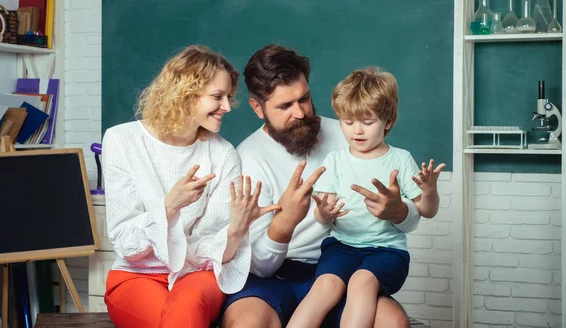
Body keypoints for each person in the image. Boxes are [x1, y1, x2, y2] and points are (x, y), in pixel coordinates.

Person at [221, 44, 423, 328]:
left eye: (304, 99)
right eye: (284, 106)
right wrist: (285, 222)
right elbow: (259, 267)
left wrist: (399, 212)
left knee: (393, 322)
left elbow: (412, 220)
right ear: (258, 108)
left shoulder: (349, 136)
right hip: (271, 281)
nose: (301, 113)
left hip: (338, 270)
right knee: (245, 323)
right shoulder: (248, 159)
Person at [102, 45, 279, 328]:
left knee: (185, 309)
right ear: (185, 92)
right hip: (136, 276)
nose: (227, 107)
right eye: (217, 97)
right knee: (177, 320)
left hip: (198, 275)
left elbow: (210, 248)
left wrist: (235, 231)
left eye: (228, 98)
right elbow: (127, 245)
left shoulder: (223, 154)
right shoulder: (122, 140)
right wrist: (169, 207)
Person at [287, 67, 445, 328]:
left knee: (361, 282)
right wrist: (323, 214)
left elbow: (427, 211)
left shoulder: (400, 159)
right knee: (324, 286)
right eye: (348, 122)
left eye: (367, 122)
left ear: (388, 122)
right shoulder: (335, 160)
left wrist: (428, 191)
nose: (357, 131)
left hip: (386, 252)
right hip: (340, 247)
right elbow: (321, 212)